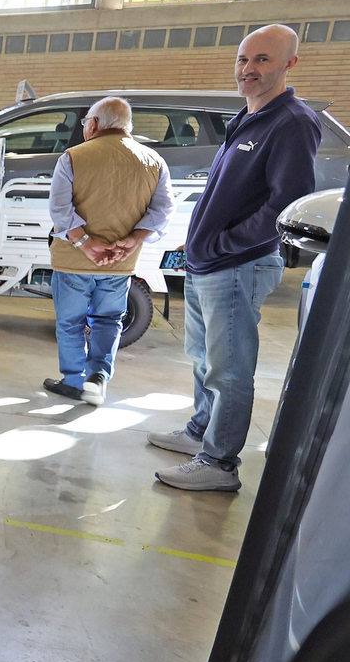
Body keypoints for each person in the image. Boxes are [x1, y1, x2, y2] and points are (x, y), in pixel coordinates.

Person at [150, 24, 321, 492]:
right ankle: (200, 432)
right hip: (210, 262)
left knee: (229, 368)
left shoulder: (291, 122)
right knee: (203, 360)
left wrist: (223, 243)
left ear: (290, 64)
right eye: (244, 59)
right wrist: (199, 239)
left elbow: (286, 205)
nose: (248, 69)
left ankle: (219, 463)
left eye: (262, 60)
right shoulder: (247, 117)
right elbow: (231, 194)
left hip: (238, 265)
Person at [43, 97, 172, 406]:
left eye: (87, 122)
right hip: (121, 262)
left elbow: (60, 210)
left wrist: (84, 244)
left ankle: (74, 380)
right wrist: (134, 239)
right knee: (109, 320)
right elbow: (163, 210)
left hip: (74, 261)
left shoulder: (73, 157)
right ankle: (98, 377)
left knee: (70, 323)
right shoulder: (153, 161)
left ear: (95, 124)